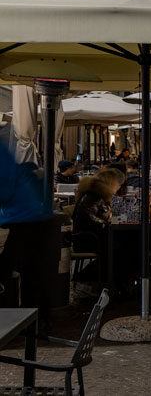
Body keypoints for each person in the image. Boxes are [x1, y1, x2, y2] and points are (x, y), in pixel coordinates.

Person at [0, 143, 59, 333]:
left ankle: (27, 323)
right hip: (36, 222)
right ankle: (35, 322)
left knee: (24, 274)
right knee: (34, 275)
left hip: (26, 223)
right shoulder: (18, 166)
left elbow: (4, 189)